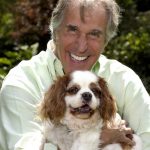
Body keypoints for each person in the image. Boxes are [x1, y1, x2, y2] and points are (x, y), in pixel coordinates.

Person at [0, 0, 150, 149]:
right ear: (55, 31)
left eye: (94, 34)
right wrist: (100, 139)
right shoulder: (21, 82)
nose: (81, 46)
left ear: (106, 41)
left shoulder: (123, 78)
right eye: (72, 30)